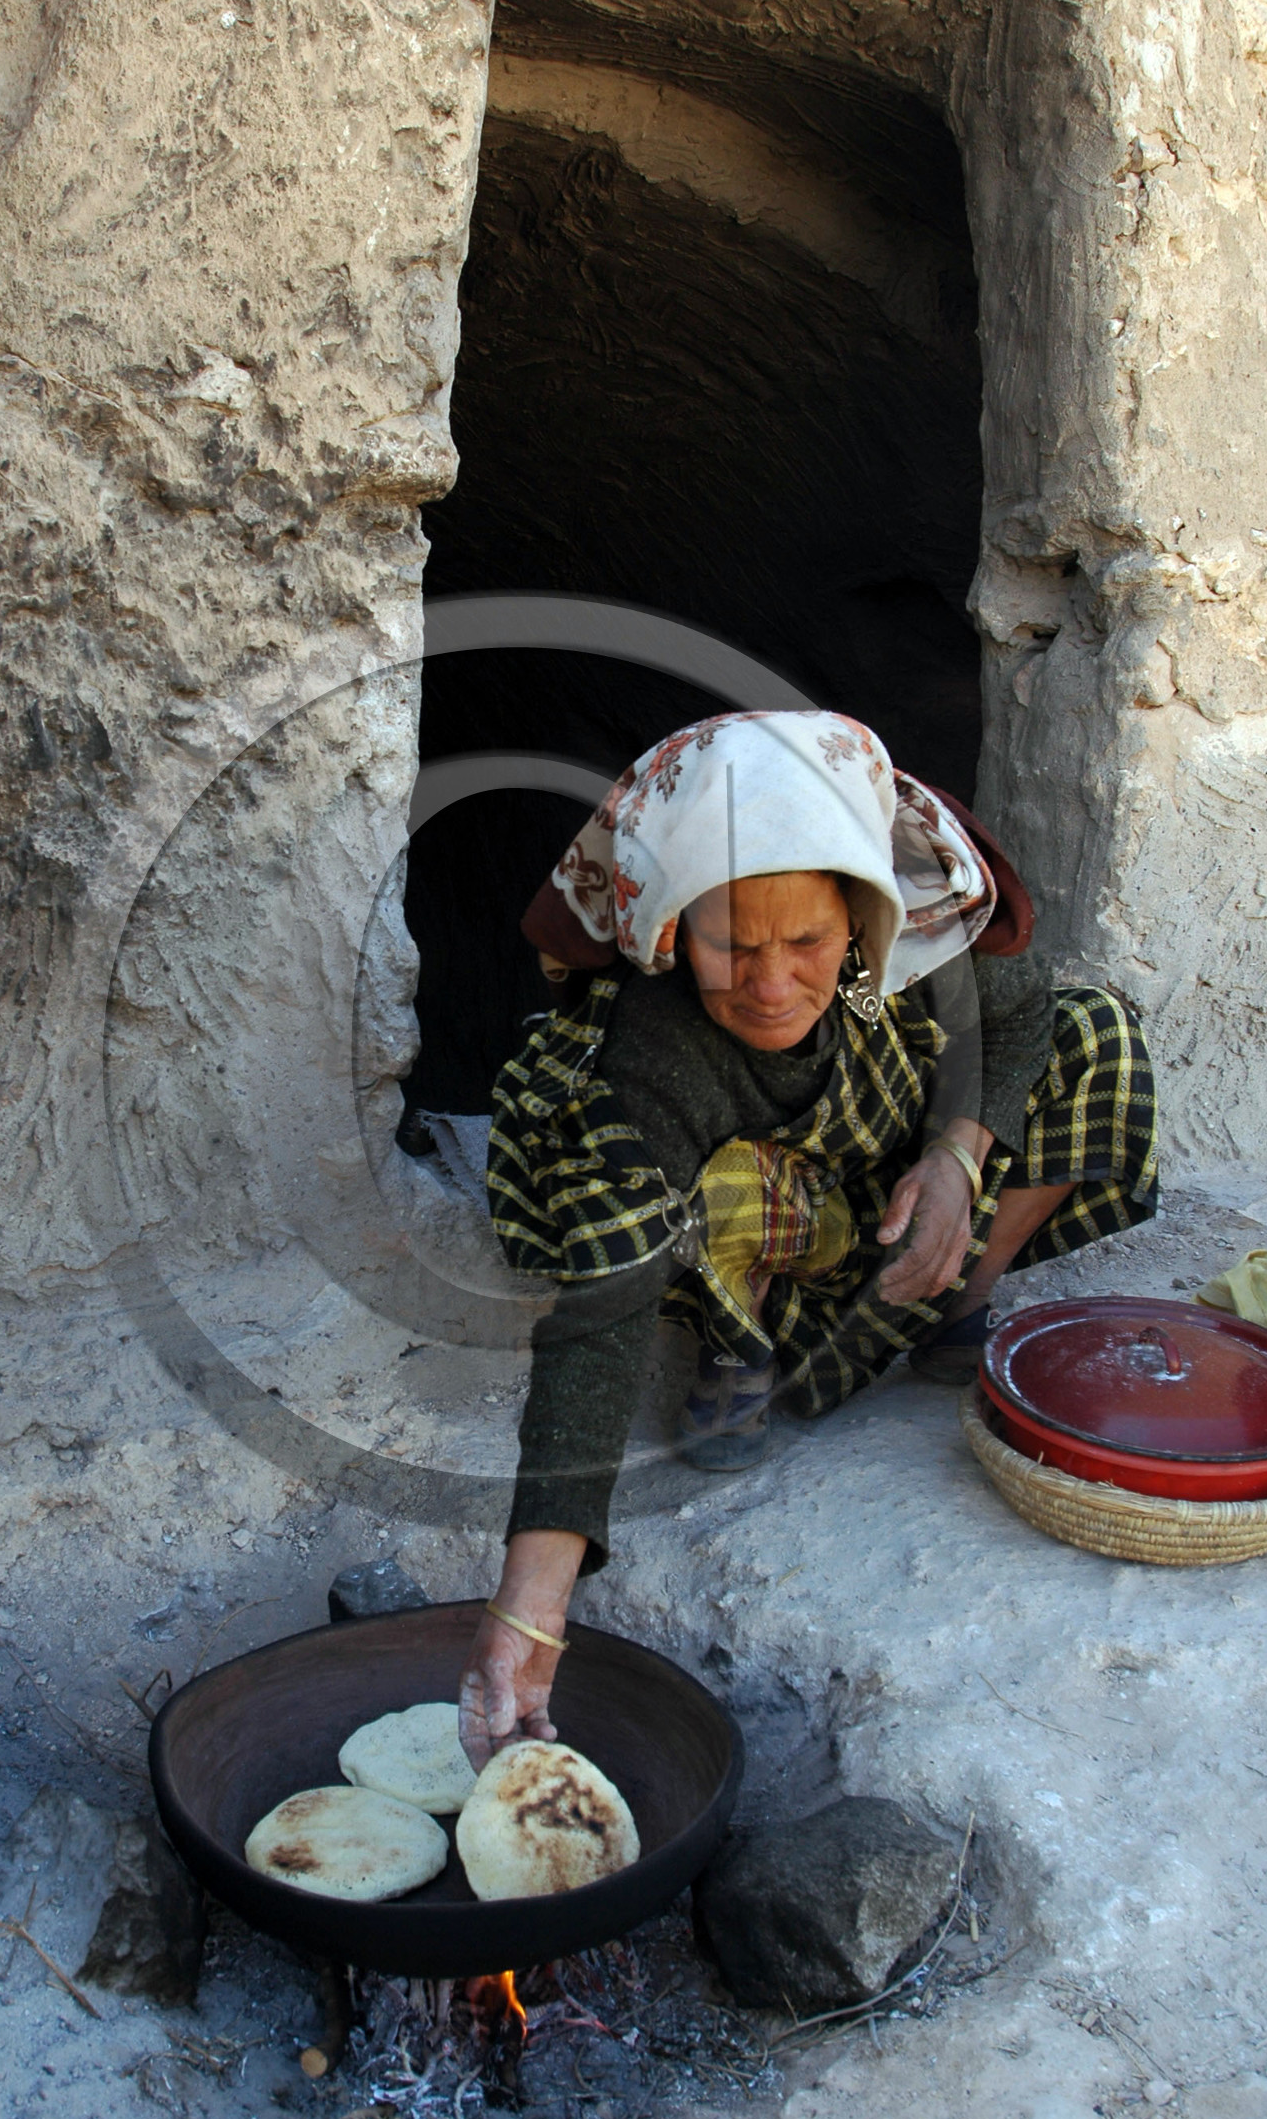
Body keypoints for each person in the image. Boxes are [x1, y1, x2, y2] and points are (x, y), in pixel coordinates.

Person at [457, 710, 1157, 1767]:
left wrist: (956, 1161)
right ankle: (743, 1344)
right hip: (755, 1213)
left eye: (809, 943)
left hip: (861, 1189)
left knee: (1091, 1023)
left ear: (865, 927)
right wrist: (528, 1604)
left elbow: (1013, 1017)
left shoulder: (892, 969)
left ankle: (954, 1293)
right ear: (670, 931)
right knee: (698, 1190)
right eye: (730, 944)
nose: (772, 984)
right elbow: (602, 1309)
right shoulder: (655, 1053)